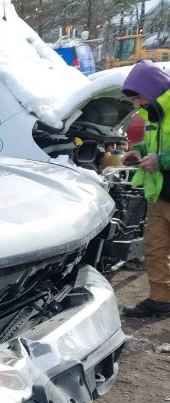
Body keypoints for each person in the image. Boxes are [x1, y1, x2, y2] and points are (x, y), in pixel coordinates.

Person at [121, 60, 170, 317]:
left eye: (139, 97)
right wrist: (137, 151)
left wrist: (161, 161)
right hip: (160, 194)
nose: (137, 103)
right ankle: (161, 299)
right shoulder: (152, 114)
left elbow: (162, 154)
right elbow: (153, 146)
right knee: (155, 247)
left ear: (151, 89)